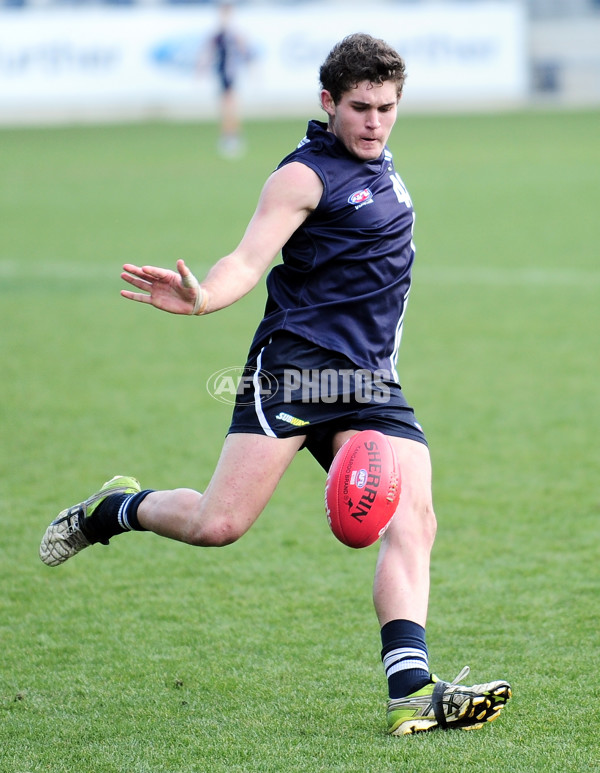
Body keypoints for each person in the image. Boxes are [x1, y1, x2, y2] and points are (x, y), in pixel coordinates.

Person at [39, 33, 511, 735]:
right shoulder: (303, 175)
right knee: (217, 524)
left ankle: (411, 689)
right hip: (295, 375)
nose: (374, 122)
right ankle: (114, 509)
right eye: (359, 108)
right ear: (328, 102)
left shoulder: (379, 159)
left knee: (415, 517)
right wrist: (203, 297)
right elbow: (246, 259)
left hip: (371, 383)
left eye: (386, 108)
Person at [208, 1, 248, 158]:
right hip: (222, 72)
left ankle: (232, 136)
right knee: (226, 105)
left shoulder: (232, 33)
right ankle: (228, 135)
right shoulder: (220, 34)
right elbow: (210, 50)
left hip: (229, 73)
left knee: (230, 105)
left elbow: (243, 49)